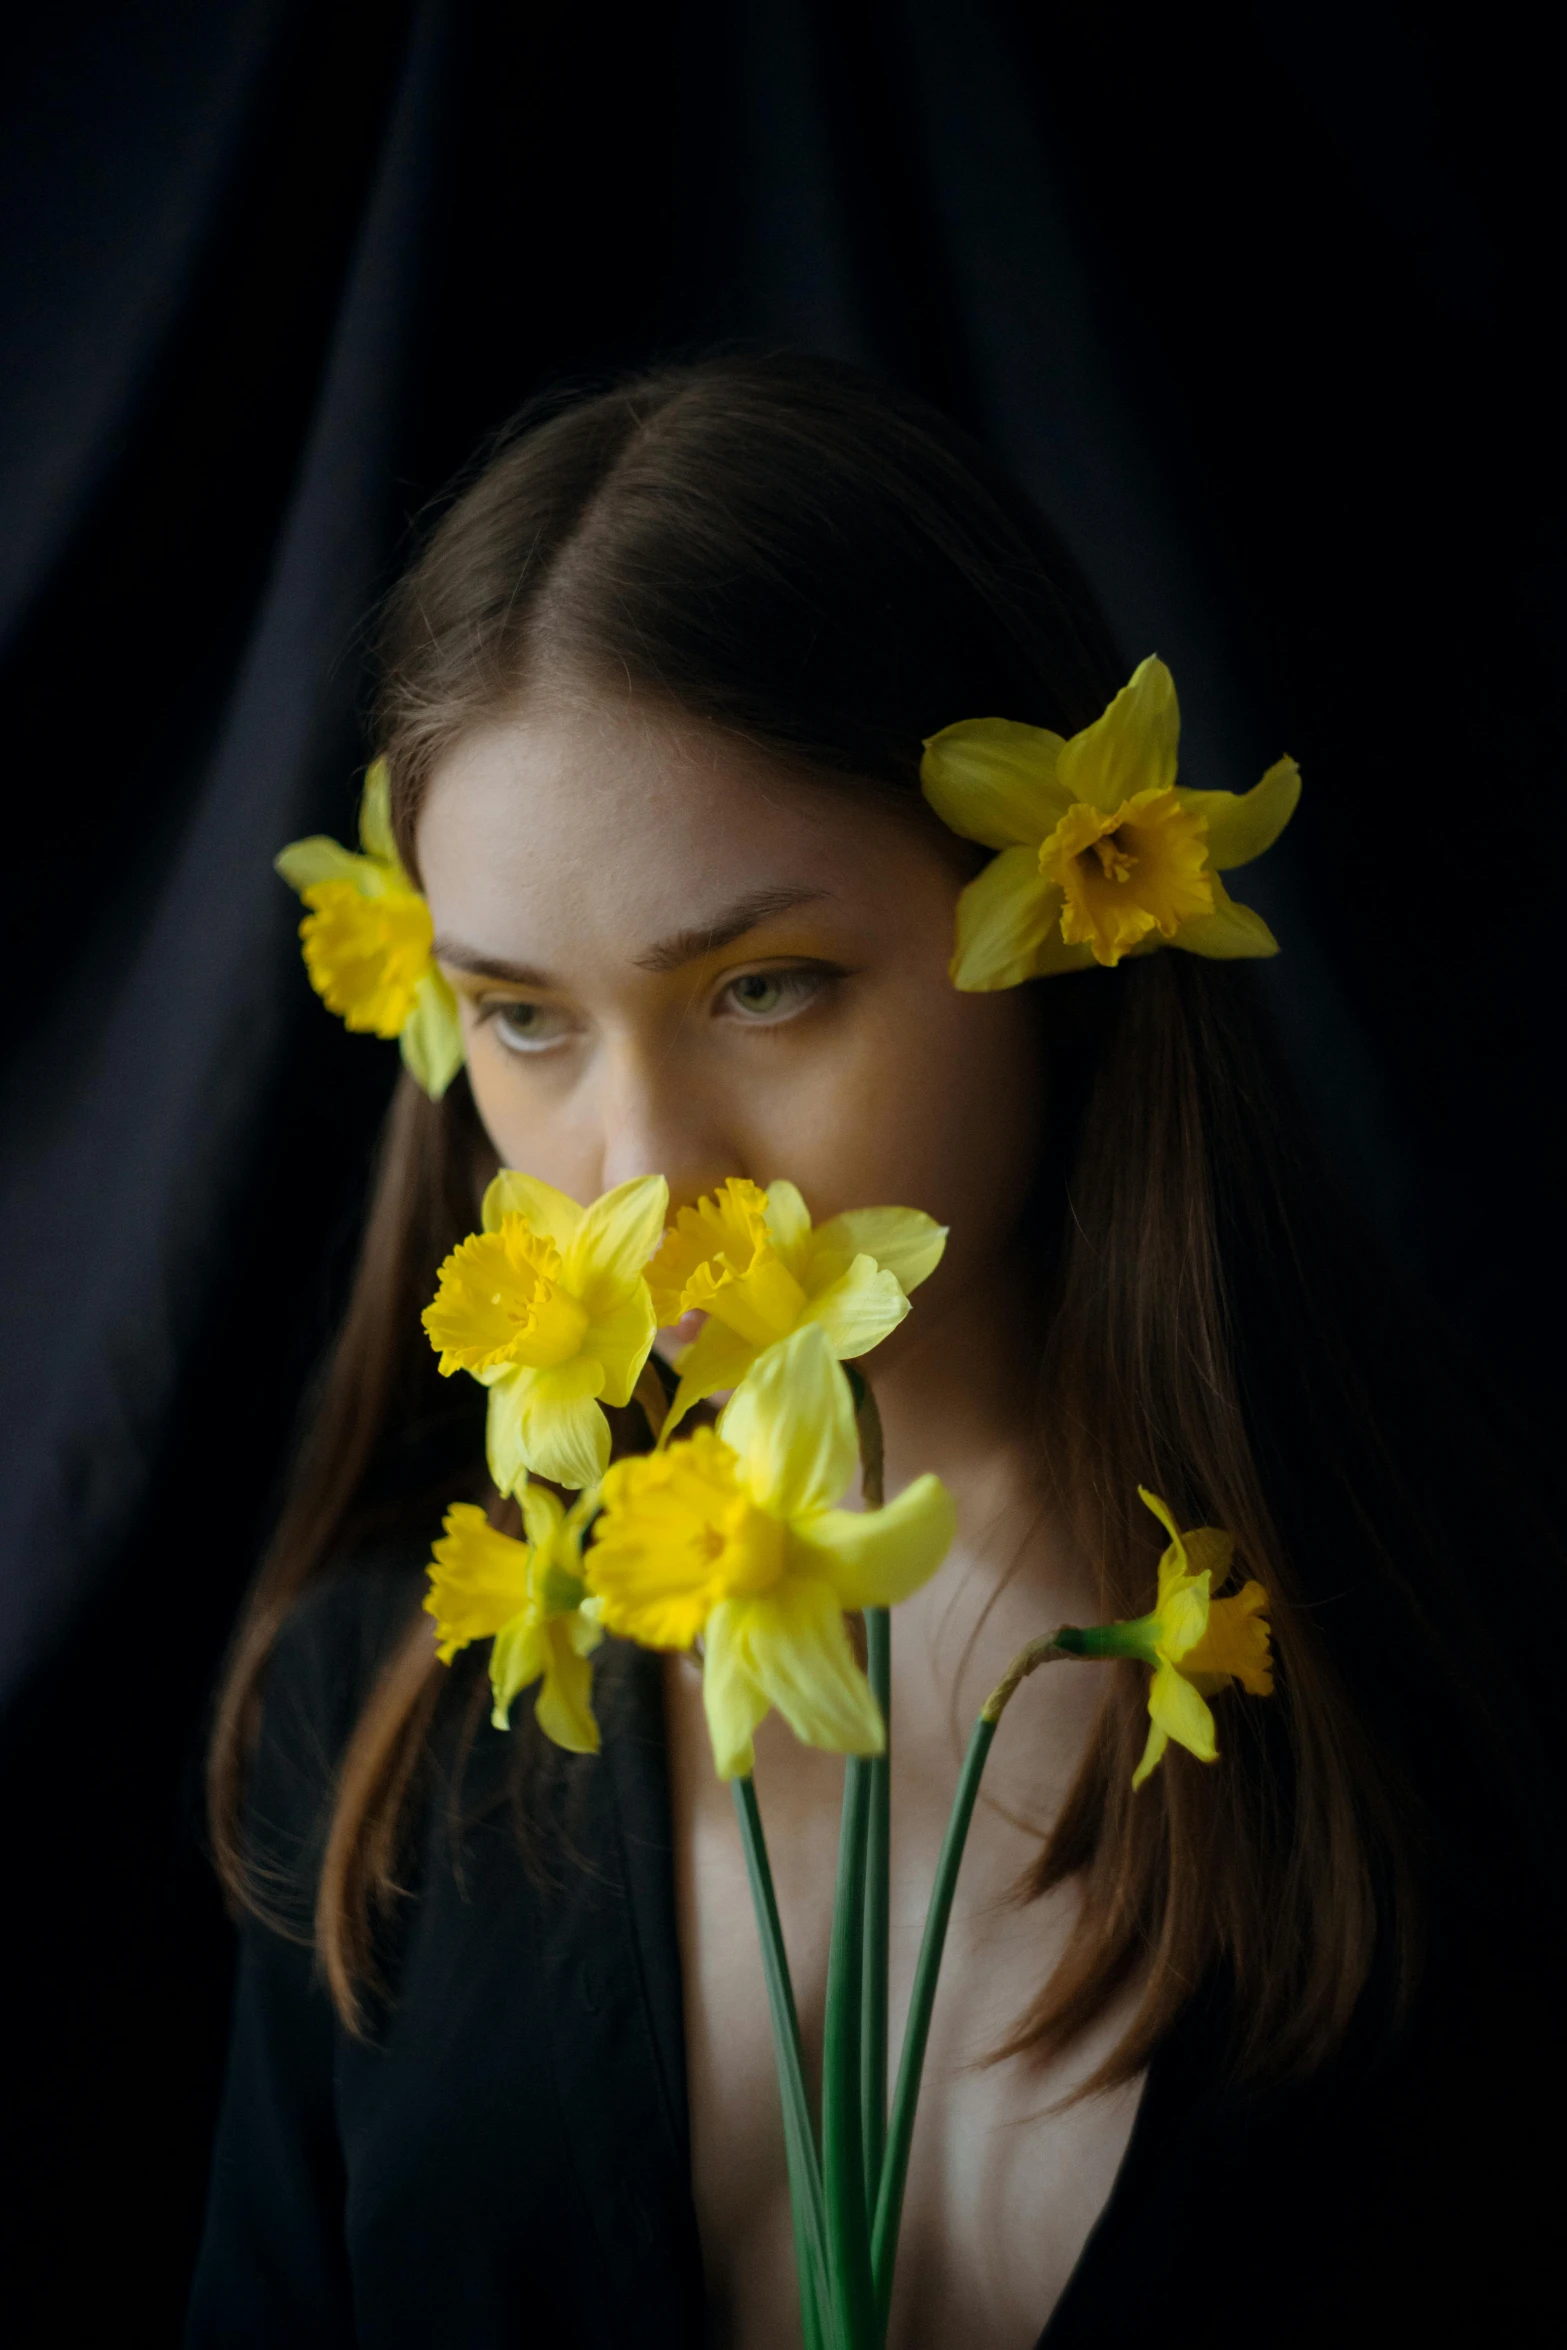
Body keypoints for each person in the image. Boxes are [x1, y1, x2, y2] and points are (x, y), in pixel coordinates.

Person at [187, 355, 1556, 2348]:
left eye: (764, 987)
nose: (639, 1178)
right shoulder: (377, 1718)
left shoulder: (1440, 1686)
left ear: (1061, 936)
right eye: (525, 1017)